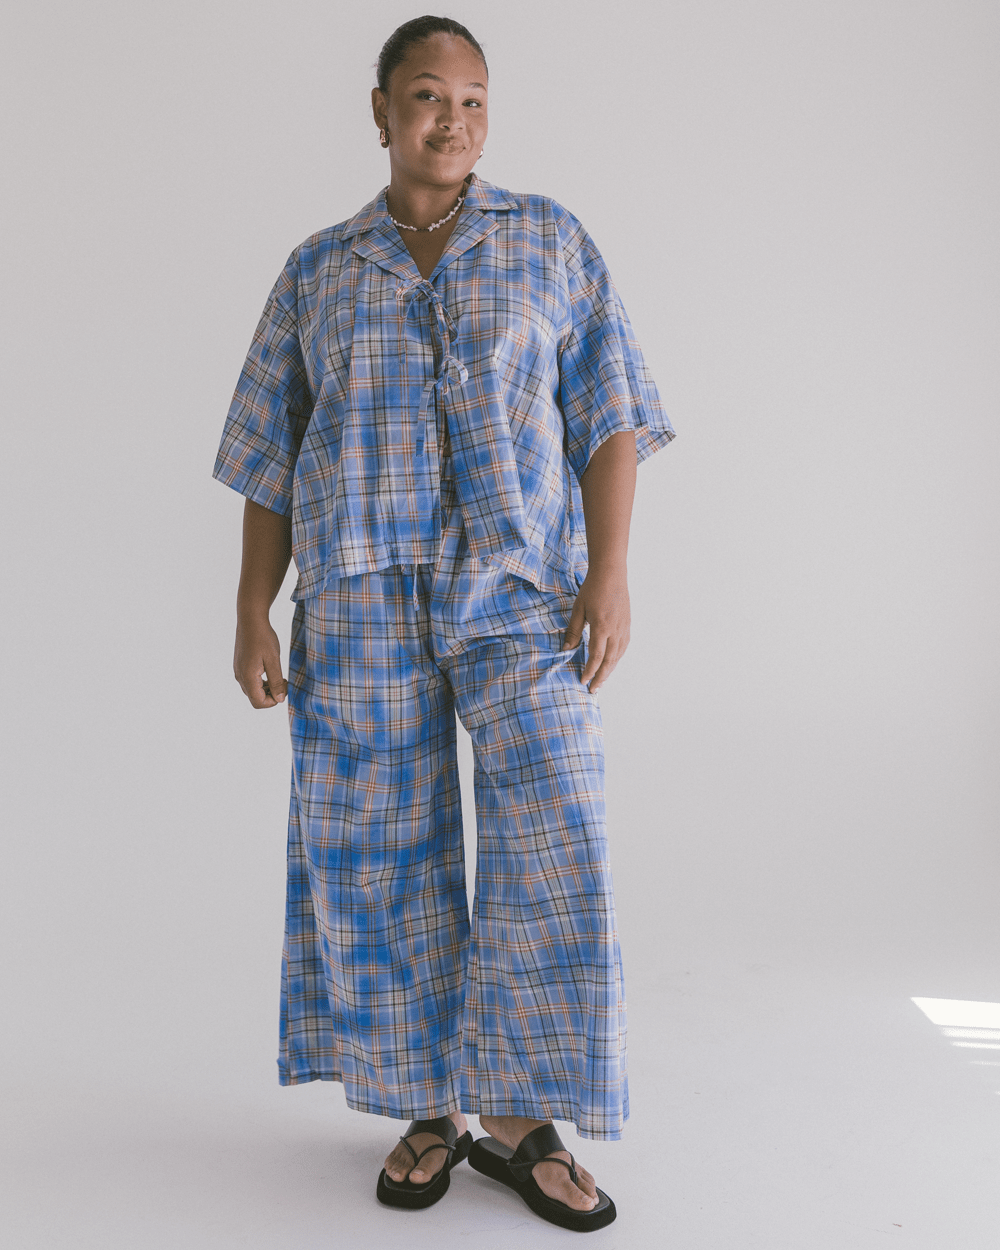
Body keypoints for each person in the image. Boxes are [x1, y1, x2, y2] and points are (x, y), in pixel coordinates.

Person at [213, 14, 674, 1233]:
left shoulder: (550, 241)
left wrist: (610, 571)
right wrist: (252, 605)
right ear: (380, 110)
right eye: (427, 96)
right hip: (358, 593)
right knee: (379, 851)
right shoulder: (318, 270)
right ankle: (426, 1104)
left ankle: (519, 1116)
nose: (452, 121)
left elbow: (609, 415)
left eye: (473, 100)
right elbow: (269, 454)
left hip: (519, 590)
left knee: (556, 820)